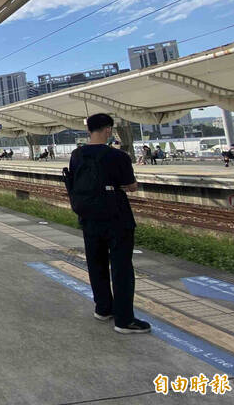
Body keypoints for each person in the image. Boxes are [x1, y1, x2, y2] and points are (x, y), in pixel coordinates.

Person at [67, 113, 150, 334]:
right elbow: (130, 185)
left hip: (89, 217)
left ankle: (103, 309)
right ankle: (124, 320)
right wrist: (128, 186)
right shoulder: (117, 156)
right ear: (108, 130)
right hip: (116, 218)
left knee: (96, 263)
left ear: (88, 131)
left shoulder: (77, 155)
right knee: (122, 267)